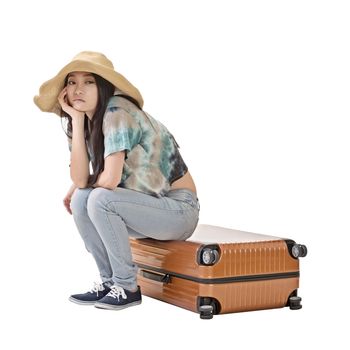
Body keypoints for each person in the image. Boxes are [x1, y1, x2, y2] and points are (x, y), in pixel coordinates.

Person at [34, 51, 200, 311]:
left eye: (89, 81)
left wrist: (84, 187)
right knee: (82, 199)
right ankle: (111, 281)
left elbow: (109, 180)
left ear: (104, 86)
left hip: (179, 210)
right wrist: (76, 121)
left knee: (99, 198)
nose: (78, 89)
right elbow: (80, 180)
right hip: (147, 207)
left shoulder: (117, 110)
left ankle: (127, 286)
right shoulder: (83, 122)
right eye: (72, 82)